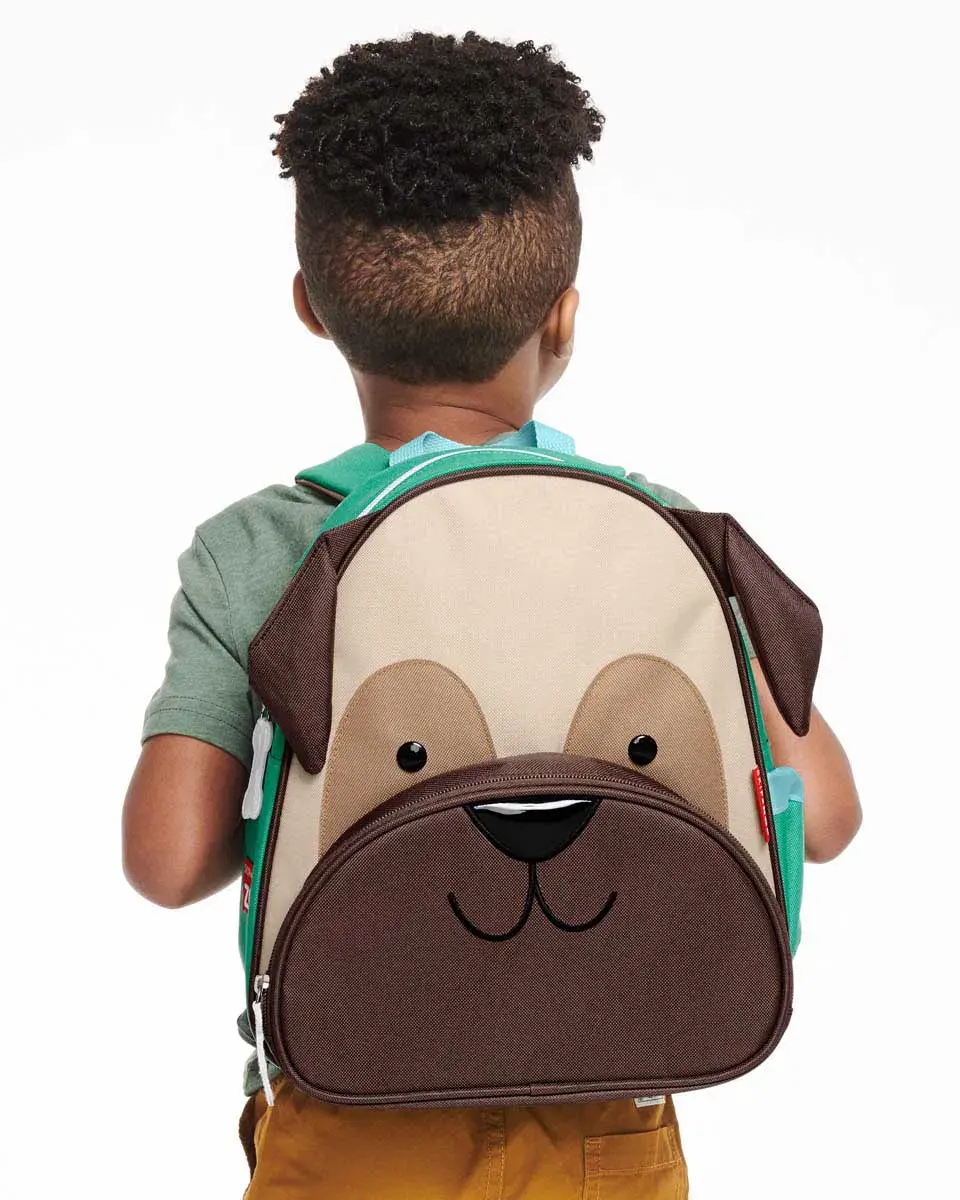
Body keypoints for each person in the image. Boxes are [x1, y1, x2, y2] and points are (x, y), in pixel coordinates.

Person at [122, 31, 862, 1199]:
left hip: (351, 1111)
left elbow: (167, 860)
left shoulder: (257, 548)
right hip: (612, 1115)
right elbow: (823, 815)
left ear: (313, 308)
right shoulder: (664, 530)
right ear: (562, 318)